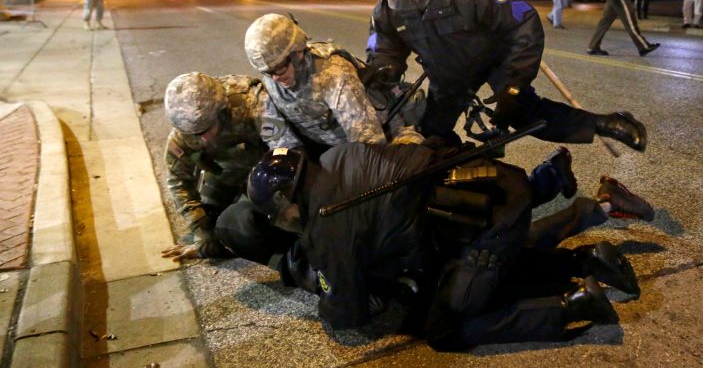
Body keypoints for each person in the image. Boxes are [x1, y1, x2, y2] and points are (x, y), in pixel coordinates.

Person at [234, 143, 654, 348]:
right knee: (477, 269)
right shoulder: (338, 157)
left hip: (484, 227)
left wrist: (316, 286)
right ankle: (589, 260)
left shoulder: (327, 229)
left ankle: (573, 306)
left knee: (444, 327)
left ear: (286, 206)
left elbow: (347, 313)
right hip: (491, 184)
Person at [367, 0, 648, 152]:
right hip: (448, 70)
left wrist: (514, 85)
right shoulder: (393, 2)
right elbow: (384, 37)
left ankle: (606, 122)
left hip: (493, 57)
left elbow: (524, 20)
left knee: (524, 114)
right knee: (429, 135)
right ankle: (462, 162)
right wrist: (383, 63)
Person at [160, 72, 297, 262]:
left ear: (221, 111)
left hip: (267, 168)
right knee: (215, 233)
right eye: (195, 134)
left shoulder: (252, 104)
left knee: (270, 223)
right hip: (230, 170)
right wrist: (201, 229)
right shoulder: (185, 131)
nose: (203, 138)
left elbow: (289, 154)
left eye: (207, 129)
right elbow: (177, 180)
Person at [244, 14, 422, 158]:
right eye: (268, 71)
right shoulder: (271, 82)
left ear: (297, 53)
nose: (275, 78)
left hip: (385, 140)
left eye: (279, 68)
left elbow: (368, 144)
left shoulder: (333, 74)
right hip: (329, 149)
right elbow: (282, 146)